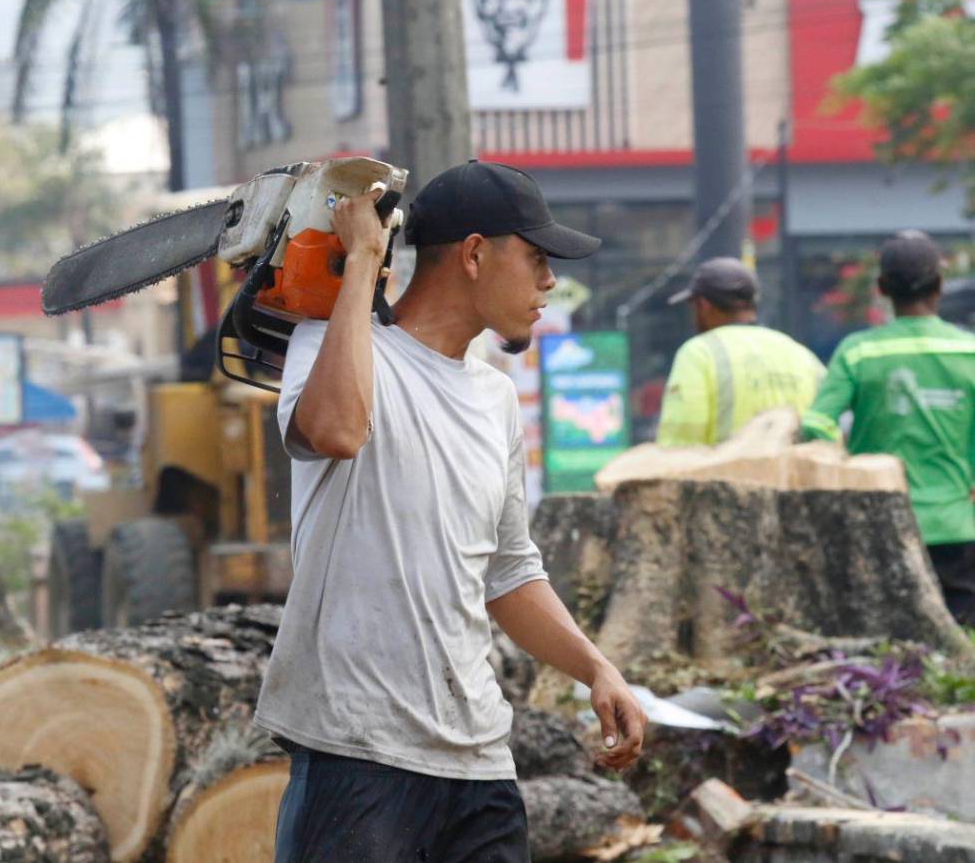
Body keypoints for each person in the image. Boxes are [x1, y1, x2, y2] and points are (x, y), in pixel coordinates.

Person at [256, 160, 646, 862]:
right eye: (535, 259)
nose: (548, 284)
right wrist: (362, 267)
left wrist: (597, 670)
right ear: (473, 254)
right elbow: (339, 430)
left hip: (478, 766)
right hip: (357, 753)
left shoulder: (495, 399)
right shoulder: (331, 349)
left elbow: (509, 572)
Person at [803, 230, 975, 626]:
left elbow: (816, 424)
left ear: (882, 288)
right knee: (959, 645)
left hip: (878, 525)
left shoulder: (859, 351)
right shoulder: (967, 351)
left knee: (886, 646)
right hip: (954, 525)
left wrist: (842, 463)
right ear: (940, 285)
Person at [657, 256, 825, 446]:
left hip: (724, 475)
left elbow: (680, 442)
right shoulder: (800, 354)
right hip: (793, 475)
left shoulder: (699, 353)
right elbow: (827, 429)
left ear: (704, 305)